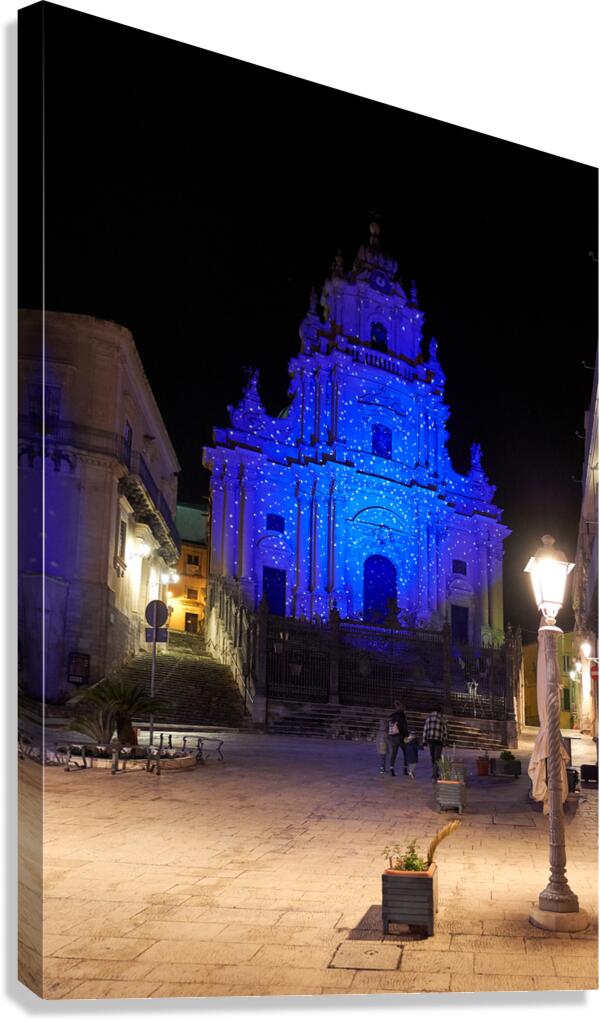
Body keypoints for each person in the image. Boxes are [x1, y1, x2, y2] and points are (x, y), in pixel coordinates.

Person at [422, 706, 448, 780]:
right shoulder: (442, 719)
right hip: (438, 740)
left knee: (433, 757)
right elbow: (445, 731)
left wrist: (424, 742)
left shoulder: (428, 718)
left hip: (430, 740)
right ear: (440, 711)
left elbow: (425, 730)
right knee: (437, 758)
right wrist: (445, 741)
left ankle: (435, 773)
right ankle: (434, 775)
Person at [388, 701, 409, 776]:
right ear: (402, 708)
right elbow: (404, 727)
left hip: (393, 736)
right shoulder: (402, 716)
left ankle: (392, 769)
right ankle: (405, 769)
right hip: (400, 737)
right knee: (406, 753)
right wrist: (407, 736)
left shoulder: (392, 716)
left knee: (394, 753)